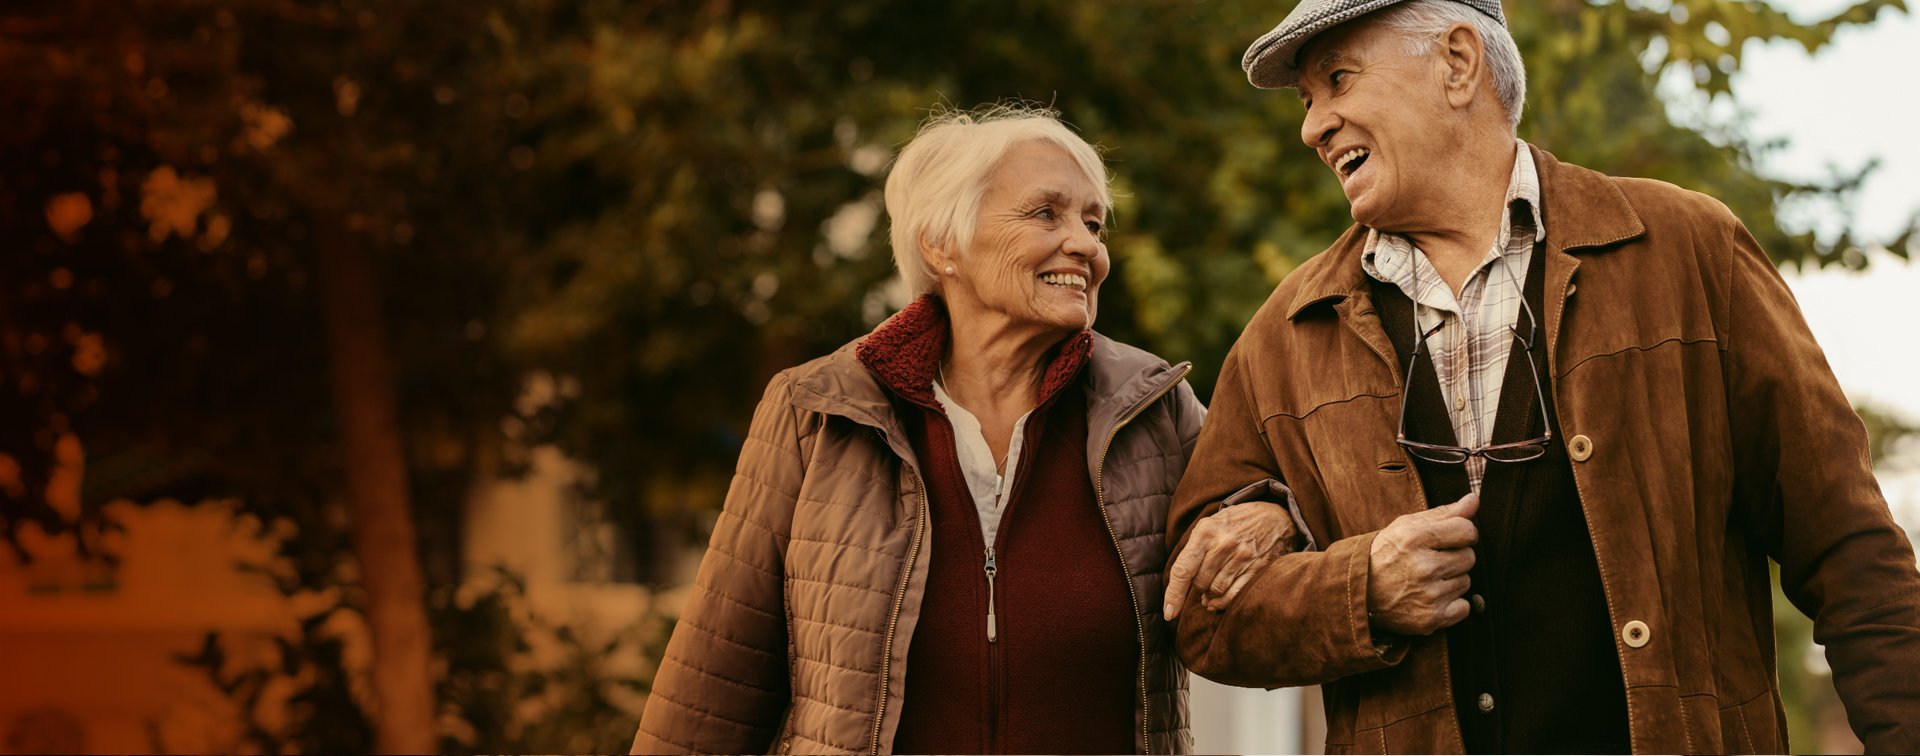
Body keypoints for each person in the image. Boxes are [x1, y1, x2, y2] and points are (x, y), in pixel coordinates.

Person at [1161, 0, 1920, 752]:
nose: (1312, 125)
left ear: (1458, 63)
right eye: (1308, 99)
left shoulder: (1690, 251)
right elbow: (1199, 614)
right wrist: (1360, 590)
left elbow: (1851, 553)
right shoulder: (1284, 336)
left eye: (1338, 79)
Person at [631, 105, 1206, 754]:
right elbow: (715, 686)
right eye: (1047, 213)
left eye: (1094, 222)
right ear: (941, 243)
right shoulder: (816, 410)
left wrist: (1268, 514)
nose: (1087, 245)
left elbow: (1270, 529)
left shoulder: (1155, 408)